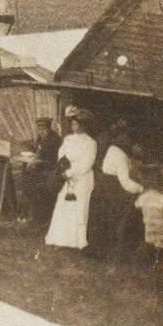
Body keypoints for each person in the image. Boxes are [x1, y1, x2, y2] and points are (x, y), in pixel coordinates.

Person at [85, 121, 144, 261]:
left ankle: (105, 248)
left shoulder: (113, 149)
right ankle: (117, 250)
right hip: (109, 192)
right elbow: (125, 183)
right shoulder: (120, 155)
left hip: (104, 190)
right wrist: (142, 189)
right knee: (128, 209)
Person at [44, 107, 97, 250]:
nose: (74, 127)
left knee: (80, 208)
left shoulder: (91, 142)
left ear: (83, 125)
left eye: (76, 124)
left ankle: (81, 242)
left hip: (82, 179)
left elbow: (87, 164)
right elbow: (61, 155)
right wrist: (64, 169)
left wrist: (70, 173)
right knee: (65, 205)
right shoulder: (68, 139)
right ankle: (61, 239)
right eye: (73, 124)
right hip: (68, 178)